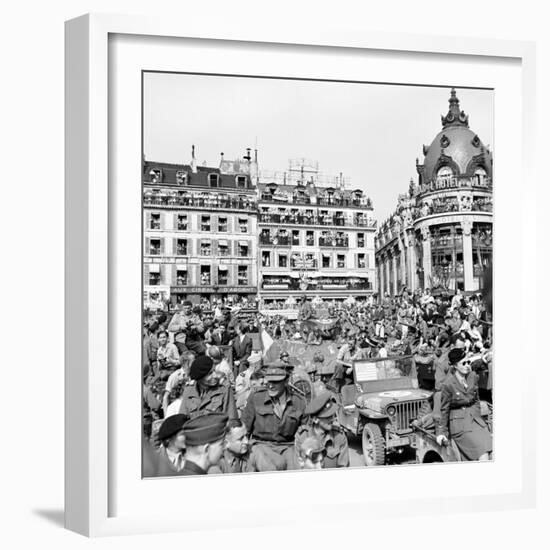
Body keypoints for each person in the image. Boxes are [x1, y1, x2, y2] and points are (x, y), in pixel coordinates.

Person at [241, 362, 306, 471]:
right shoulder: (257, 398)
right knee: (268, 466)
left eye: (276, 382)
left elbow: (305, 432)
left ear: (286, 382)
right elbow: (244, 429)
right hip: (261, 445)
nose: (271, 385)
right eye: (269, 381)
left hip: (287, 446)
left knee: (296, 468)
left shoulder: (298, 402)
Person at [436, 347, 492, 461]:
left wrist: (477, 416)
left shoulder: (472, 376)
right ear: (455, 366)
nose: (467, 365)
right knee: (483, 455)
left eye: (468, 362)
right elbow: (444, 410)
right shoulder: (448, 384)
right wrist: (441, 432)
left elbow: (476, 399)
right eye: (464, 363)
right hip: (460, 426)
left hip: (476, 422)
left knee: (492, 450)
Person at [292, 392, 349, 469]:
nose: (332, 419)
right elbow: (298, 468)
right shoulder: (302, 437)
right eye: (327, 417)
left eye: (332, 415)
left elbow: (344, 468)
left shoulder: (339, 437)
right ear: (315, 419)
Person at [178, 355, 238, 421]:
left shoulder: (224, 389)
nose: (215, 376)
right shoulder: (189, 391)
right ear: (200, 378)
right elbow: (181, 419)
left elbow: (232, 418)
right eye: (210, 374)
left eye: (214, 371)